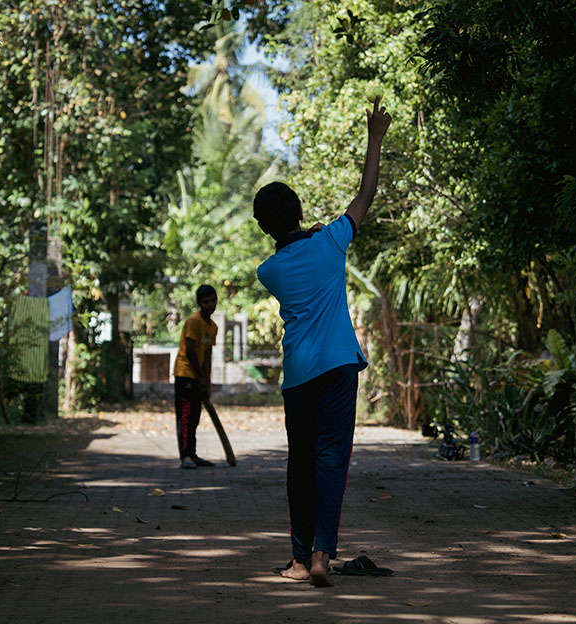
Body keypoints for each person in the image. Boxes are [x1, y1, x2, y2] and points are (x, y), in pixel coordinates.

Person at [254, 95, 391, 587]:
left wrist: (302, 234)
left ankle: (295, 558)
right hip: (337, 369)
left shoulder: (267, 271)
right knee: (332, 460)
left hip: (298, 376)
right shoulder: (331, 241)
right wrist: (374, 137)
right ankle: (321, 556)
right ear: (301, 212)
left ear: (264, 227)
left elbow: (289, 249)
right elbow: (365, 194)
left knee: (300, 466)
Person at [173, 284, 219, 470]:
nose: (210, 305)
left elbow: (207, 356)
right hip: (185, 374)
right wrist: (199, 377)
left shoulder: (212, 327)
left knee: (195, 417)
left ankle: (193, 454)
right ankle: (185, 456)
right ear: (199, 303)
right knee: (185, 416)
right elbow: (191, 352)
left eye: (212, 301)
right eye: (205, 302)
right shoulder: (194, 320)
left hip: (198, 377)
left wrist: (206, 383)